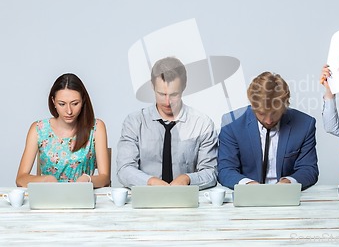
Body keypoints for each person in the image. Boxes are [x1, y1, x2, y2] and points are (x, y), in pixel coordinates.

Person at [116, 56, 217, 189]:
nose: (167, 102)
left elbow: (211, 172)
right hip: (146, 196)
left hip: (186, 198)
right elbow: (124, 169)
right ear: (152, 86)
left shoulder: (202, 124)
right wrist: (150, 181)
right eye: (162, 94)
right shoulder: (134, 122)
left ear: (184, 87)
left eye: (174, 94)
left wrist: (187, 179)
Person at [218, 71, 319, 190]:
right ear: (252, 106)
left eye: (275, 113)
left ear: (285, 105)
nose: (269, 120)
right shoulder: (231, 124)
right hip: (247, 196)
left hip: (287, 197)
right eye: (261, 114)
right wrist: (249, 185)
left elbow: (308, 169)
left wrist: (288, 182)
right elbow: (226, 170)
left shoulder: (305, 124)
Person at [16, 73, 110, 188]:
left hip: (82, 197)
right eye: (62, 104)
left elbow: (105, 178)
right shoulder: (39, 129)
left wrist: (88, 179)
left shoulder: (96, 128)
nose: (69, 111)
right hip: (48, 198)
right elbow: (21, 178)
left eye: (75, 103)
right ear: (53, 101)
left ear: (83, 100)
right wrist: (46, 180)